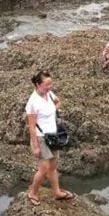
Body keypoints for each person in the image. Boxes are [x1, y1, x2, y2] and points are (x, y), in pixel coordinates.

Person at [26, 71, 73, 206]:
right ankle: (33, 193)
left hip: (53, 136)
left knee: (53, 166)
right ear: (37, 84)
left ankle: (57, 192)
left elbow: (58, 102)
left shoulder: (49, 94)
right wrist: (35, 146)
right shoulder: (33, 102)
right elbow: (31, 126)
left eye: (50, 84)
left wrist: (53, 110)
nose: (49, 87)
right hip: (41, 137)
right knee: (44, 168)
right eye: (46, 84)